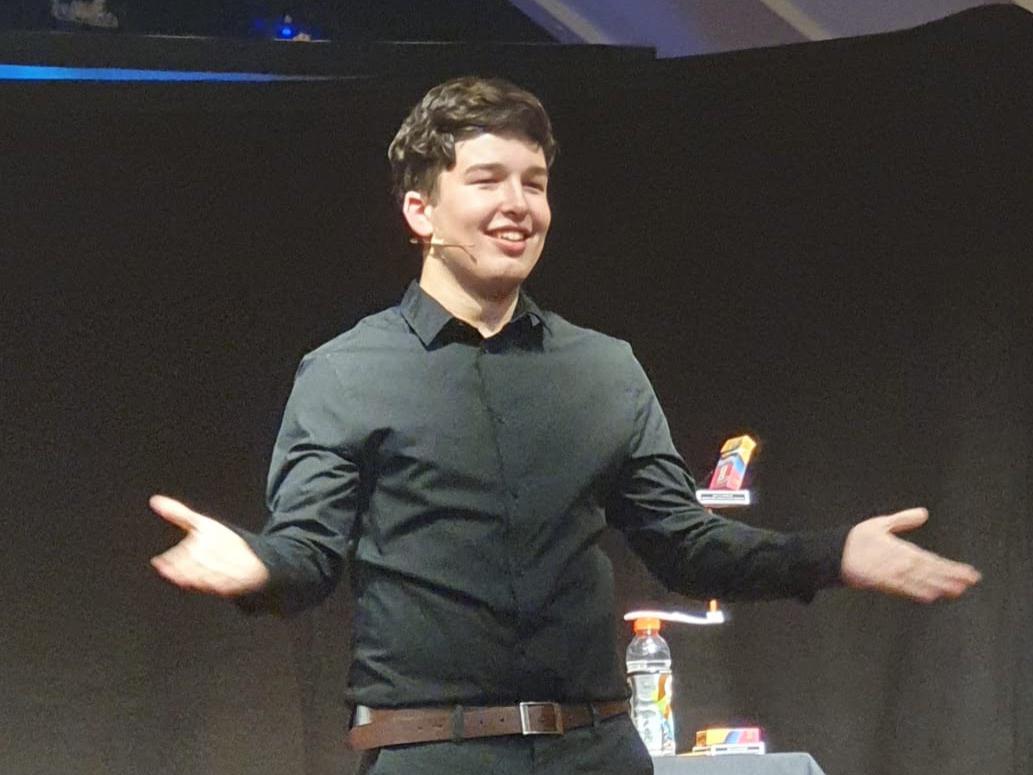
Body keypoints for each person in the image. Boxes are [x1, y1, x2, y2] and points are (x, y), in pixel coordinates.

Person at [149, 76, 981, 774]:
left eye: (534, 183)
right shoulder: (345, 371)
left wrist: (834, 553)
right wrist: (254, 563)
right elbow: (307, 555)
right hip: (432, 753)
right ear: (420, 210)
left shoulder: (603, 368)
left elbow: (684, 545)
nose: (518, 205)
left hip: (597, 750)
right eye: (487, 180)